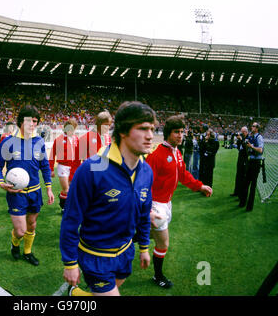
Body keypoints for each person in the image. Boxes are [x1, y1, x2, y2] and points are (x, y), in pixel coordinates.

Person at [60, 101, 156, 296]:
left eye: (153, 129)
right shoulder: (91, 169)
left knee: (108, 289)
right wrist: (70, 263)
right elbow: (71, 219)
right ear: (123, 131)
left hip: (126, 251)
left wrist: (144, 247)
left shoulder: (146, 171)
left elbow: (145, 214)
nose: (150, 136)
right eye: (143, 128)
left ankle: (77, 294)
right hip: (96, 256)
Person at [146, 115, 213, 289]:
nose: (180, 135)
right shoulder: (156, 155)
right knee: (163, 243)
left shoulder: (176, 152)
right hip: (155, 204)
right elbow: (143, 183)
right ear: (168, 133)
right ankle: (158, 276)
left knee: (150, 235)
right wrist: (146, 207)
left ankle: (130, 236)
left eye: (182, 132)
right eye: (176, 132)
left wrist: (200, 186)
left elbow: (183, 175)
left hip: (167, 203)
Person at [0, 105, 54, 266]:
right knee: (20, 231)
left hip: (35, 192)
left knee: (32, 224)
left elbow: (45, 166)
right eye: (29, 120)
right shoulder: (8, 142)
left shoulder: (39, 141)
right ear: (21, 121)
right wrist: (0, 182)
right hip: (16, 193)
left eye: (35, 121)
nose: (33, 124)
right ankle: (15, 243)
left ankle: (27, 252)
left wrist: (48, 188)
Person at [48, 118, 81, 214]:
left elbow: (79, 154)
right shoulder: (59, 140)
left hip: (74, 167)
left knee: (72, 188)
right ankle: (64, 208)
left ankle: (66, 203)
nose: (71, 130)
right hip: (63, 167)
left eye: (73, 128)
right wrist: (51, 169)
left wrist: (80, 166)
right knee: (66, 189)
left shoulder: (76, 139)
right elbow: (52, 154)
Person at [238, 122, 264, 212]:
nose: (251, 127)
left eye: (253, 126)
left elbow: (260, 150)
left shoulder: (259, 137)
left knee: (253, 185)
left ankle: (249, 207)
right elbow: (248, 149)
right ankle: (242, 203)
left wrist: (251, 146)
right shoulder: (252, 137)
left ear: (257, 128)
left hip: (256, 162)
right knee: (246, 183)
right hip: (251, 161)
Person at [231, 126, 249, 197]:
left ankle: (241, 193)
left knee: (243, 176)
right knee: (238, 175)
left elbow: (246, 148)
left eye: (242, 132)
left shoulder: (248, 138)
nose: (241, 133)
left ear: (246, 132)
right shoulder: (242, 137)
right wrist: (238, 140)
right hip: (240, 158)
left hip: (245, 159)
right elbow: (239, 147)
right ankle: (236, 192)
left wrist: (241, 139)